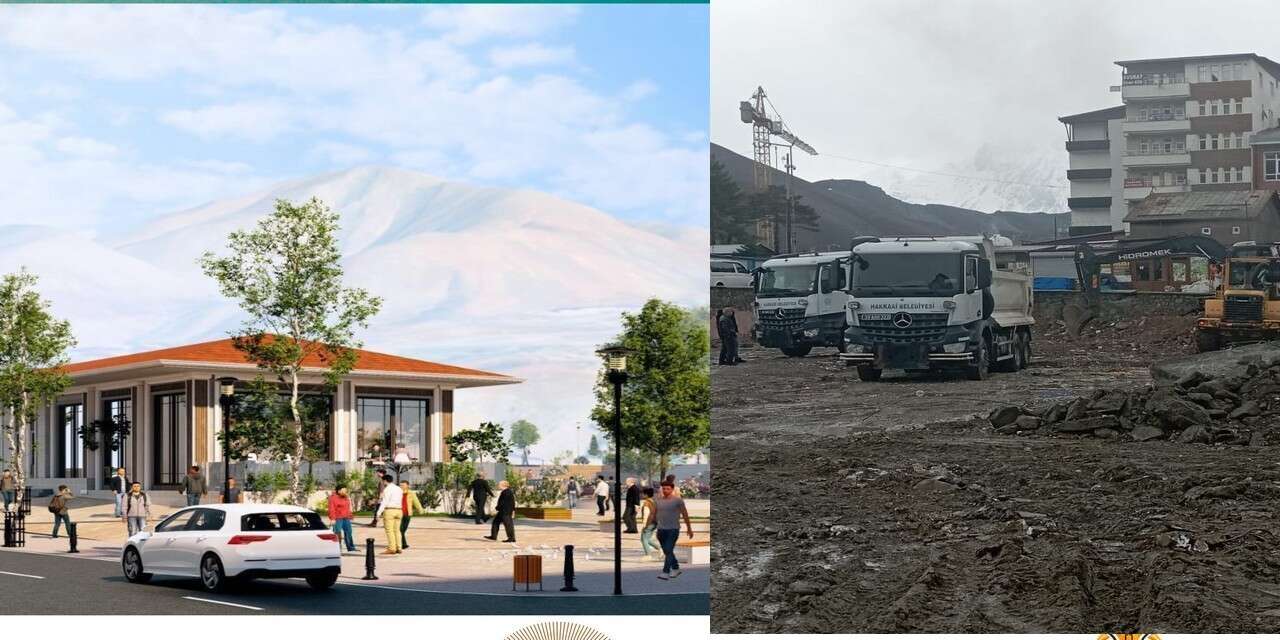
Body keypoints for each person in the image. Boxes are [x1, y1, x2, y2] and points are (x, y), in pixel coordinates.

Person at [650, 479, 694, 580]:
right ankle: (675, 568)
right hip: (661, 530)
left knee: (669, 550)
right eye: (664, 488)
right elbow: (654, 514)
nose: (665, 490)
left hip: (673, 529)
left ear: (672, 489)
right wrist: (650, 526)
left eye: (668, 489)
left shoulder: (678, 500)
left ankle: (665, 572)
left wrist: (689, 528)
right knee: (667, 551)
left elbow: (685, 514)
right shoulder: (657, 500)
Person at [376, 474, 404, 555]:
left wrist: (378, 513)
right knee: (397, 530)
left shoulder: (387, 489)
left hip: (390, 510)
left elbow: (385, 502)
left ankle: (392, 548)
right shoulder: (399, 489)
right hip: (399, 510)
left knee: (389, 531)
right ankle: (399, 547)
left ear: (385, 481)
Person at [327, 485, 356, 552]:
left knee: (349, 532)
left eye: (345, 490)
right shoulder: (332, 498)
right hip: (337, 518)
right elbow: (331, 509)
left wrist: (350, 515)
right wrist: (333, 518)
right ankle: (337, 547)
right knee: (337, 533)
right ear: (339, 491)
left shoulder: (345, 497)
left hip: (346, 518)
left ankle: (351, 547)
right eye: (343, 490)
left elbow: (347, 507)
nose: (345, 491)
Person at [398, 480, 424, 550]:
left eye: (403, 485)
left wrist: (420, 509)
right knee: (400, 529)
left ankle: (399, 542)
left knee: (404, 529)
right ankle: (403, 544)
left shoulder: (411, 493)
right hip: (399, 513)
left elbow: (416, 502)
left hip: (408, 513)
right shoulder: (397, 493)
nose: (401, 486)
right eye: (400, 485)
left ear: (407, 486)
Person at [639, 486, 658, 559]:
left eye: (643, 494)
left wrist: (644, 525)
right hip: (655, 522)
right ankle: (660, 548)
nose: (641, 495)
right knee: (648, 539)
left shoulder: (646, 503)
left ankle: (648, 555)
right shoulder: (654, 501)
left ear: (646, 495)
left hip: (649, 523)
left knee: (643, 539)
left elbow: (646, 515)